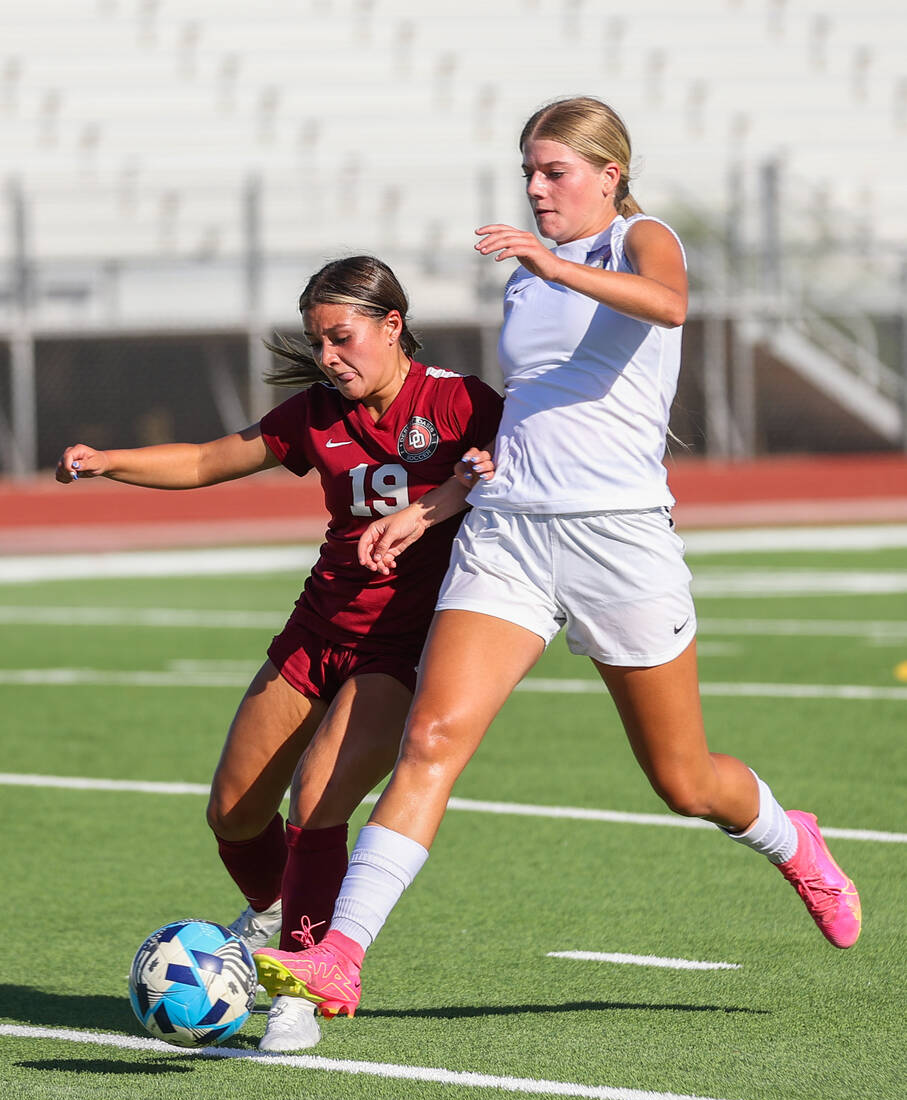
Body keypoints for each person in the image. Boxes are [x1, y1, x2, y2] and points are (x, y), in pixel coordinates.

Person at [252, 97, 862, 1024]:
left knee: (683, 779)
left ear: (607, 174)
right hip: (510, 533)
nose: (535, 189)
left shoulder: (639, 237)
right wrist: (441, 502)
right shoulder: (524, 278)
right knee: (431, 741)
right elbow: (533, 416)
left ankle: (792, 841)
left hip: (617, 537)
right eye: (528, 172)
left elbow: (668, 305)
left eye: (554, 172)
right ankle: (341, 955)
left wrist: (552, 261)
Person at [55, 254, 502, 1051]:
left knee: (318, 801)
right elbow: (203, 460)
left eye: (342, 337)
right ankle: (272, 912)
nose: (329, 357)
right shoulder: (314, 414)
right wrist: (106, 463)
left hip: (401, 646)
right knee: (232, 811)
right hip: (315, 629)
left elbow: (528, 466)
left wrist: (470, 489)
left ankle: (299, 981)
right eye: (317, 341)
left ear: (391, 326)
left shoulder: (462, 403)